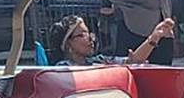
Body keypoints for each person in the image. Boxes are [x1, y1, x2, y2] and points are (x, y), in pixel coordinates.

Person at [46, 14, 175, 66]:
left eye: (88, 33)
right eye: (82, 35)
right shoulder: (62, 69)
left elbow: (133, 60)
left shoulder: (99, 61)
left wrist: (154, 37)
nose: (90, 38)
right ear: (68, 44)